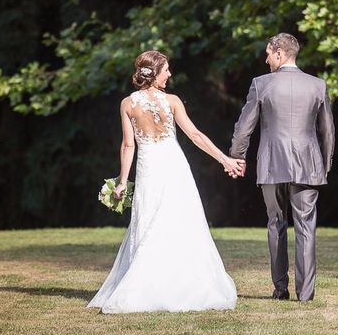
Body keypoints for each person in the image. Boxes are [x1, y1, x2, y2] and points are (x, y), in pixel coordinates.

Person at [87, 50, 242, 314]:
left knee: (151, 220)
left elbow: (128, 145)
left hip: (151, 168)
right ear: (155, 72)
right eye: (166, 70)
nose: (169, 74)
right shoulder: (172, 101)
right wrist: (224, 159)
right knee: (179, 219)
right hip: (173, 165)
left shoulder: (128, 103)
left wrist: (123, 181)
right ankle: (180, 284)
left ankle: (150, 285)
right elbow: (194, 135)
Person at [229, 33, 335, 301]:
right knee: (306, 227)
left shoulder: (261, 84)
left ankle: (280, 289)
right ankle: (306, 294)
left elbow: (244, 127)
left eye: (268, 53)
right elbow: (328, 131)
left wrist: (237, 156)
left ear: (279, 53)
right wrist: (326, 162)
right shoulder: (317, 85)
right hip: (309, 164)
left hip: (272, 163)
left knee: (275, 224)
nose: (266, 59)